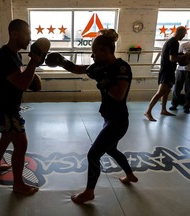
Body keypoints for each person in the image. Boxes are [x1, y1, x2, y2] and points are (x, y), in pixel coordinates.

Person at [45, 34, 138, 204]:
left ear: (105, 51)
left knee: (93, 155)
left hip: (118, 121)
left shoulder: (122, 68)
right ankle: (130, 175)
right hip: (110, 119)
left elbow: (118, 95)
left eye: (95, 52)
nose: (92, 56)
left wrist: (102, 80)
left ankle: (89, 192)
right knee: (111, 150)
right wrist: (62, 61)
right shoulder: (99, 66)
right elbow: (78, 69)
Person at [0, 19, 42, 195]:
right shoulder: (4, 57)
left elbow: (33, 84)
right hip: (6, 107)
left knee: (5, 137)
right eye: (27, 34)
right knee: (21, 144)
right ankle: (18, 184)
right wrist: (33, 63)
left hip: (6, 105)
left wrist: (36, 62)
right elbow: (21, 84)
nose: (29, 38)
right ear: (14, 34)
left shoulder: (16, 55)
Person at [144, 26, 190, 121]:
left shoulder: (170, 41)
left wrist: (181, 56)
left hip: (168, 70)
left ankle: (163, 110)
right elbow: (172, 58)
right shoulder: (174, 43)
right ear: (180, 33)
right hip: (166, 71)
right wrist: (185, 56)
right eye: (184, 34)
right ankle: (147, 112)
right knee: (161, 92)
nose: (183, 36)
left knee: (167, 91)